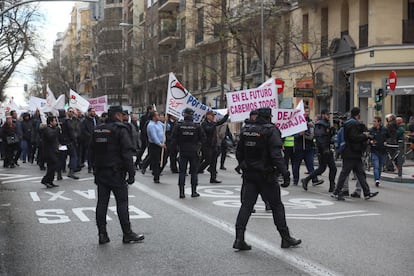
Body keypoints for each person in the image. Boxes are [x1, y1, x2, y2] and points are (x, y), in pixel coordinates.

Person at [233, 107, 301, 250]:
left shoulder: (246, 129)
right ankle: (285, 237)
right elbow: (276, 155)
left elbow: (238, 151)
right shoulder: (270, 130)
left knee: (246, 206)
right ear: (269, 116)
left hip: (249, 174)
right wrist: (285, 173)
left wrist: (244, 164)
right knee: (277, 206)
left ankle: (239, 238)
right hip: (266, 175)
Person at [91, 105, 144, 245]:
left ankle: (102, 234)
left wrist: (95, 170)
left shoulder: (97, 129)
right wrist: (131, 173)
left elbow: (91, 152)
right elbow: (127, 153)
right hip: (116, 172)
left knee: (102, 204)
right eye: (121, 114)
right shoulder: (120, 129)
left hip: (101, 171)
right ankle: (127, 234)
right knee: (122, 203)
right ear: (118, 115)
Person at [332, 107, 379, 200]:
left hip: (353, 152)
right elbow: (354, 137)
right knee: (345, 173)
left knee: (360, 173)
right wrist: (364, 136)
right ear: (358, 114)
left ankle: (366, 192)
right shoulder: (353, 123)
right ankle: (336, 192)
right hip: (351, 152)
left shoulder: (348, 123)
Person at [171, 108, 206, 198]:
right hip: (194, 151)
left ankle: (181, 192)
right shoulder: (197, 126)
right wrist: (199, 146)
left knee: (182, 172)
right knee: (194, 172)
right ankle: (194, 191)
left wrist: (176, 148)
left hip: (183, 151)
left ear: (184, 115)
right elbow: (203, 139)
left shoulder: (179, 126)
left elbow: (174, 139)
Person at [301, 109, 337, 192]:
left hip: (326, 149)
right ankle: (332, 186)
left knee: (323, 168)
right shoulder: (320, 124)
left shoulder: (326, 124)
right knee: (330, 168)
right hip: (323, 150)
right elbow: (320, 138)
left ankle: (307, 180)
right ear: (323, 115)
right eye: (327, 114)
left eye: (329, 115)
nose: (329, 116)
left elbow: (327, 137)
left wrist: (332, 133)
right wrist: (324, 149)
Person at [292, 108, 324, 186]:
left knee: (310, 164)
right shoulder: (297, 122)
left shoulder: (310, 122)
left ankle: (314, 180)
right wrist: (299, 134)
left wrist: (312, 127)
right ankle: (295, 180)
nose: (306, 113)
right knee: (296, 165)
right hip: (299, 147)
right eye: (305, 111)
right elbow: (293, 134)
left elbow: (313, 134)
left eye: (308, 111)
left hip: (308, 147)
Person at [199, 111, 229, 183]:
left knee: (214, 162)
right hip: (207, 146)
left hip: (214, 145)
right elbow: (208, 130)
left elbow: (221, 122)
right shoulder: (204, 124)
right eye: (212, 115)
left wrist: (227, 115)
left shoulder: (213, 123)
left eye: (213, 116)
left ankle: (213, 178)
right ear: (208, 116)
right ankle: (199, 169)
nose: (213, 117)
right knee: (208, 160)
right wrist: (213, 124)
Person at [146, 111, 167, 183]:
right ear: (153, 117)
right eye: (157, 115)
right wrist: (159, 144)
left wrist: (165, 121)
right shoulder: (151, 125)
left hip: (162, 144)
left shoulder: (159, 123)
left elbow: (167, 128)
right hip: (155, 145)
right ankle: (156, 177)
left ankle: (157, 173)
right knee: (156, 161)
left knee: (164, 160)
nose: (159, 116)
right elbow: (154, 136)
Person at [367, 116, 388, 188]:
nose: (373, 123)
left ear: (379, 122)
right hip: (374, 150)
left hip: (383, 151)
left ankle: (378, 178)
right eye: (373, 121)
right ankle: (377, 180)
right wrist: (370, 142)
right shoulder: (371, 130)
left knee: (380, 166)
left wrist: (386, 141)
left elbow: (389, 137)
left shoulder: (384, 129)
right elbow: (368, 139)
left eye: (375, 121)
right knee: (376, 166)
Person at [40, 116, 60, 188]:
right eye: (54, 121)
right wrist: (57, 130)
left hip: (54, 150)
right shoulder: (47, 129)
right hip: (49, 151)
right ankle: (45, 180)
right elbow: (51, 137)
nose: (56, 122)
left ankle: (50, 181)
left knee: (53, 167)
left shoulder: (52, 129)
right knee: (52, 166)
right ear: (51, 122)